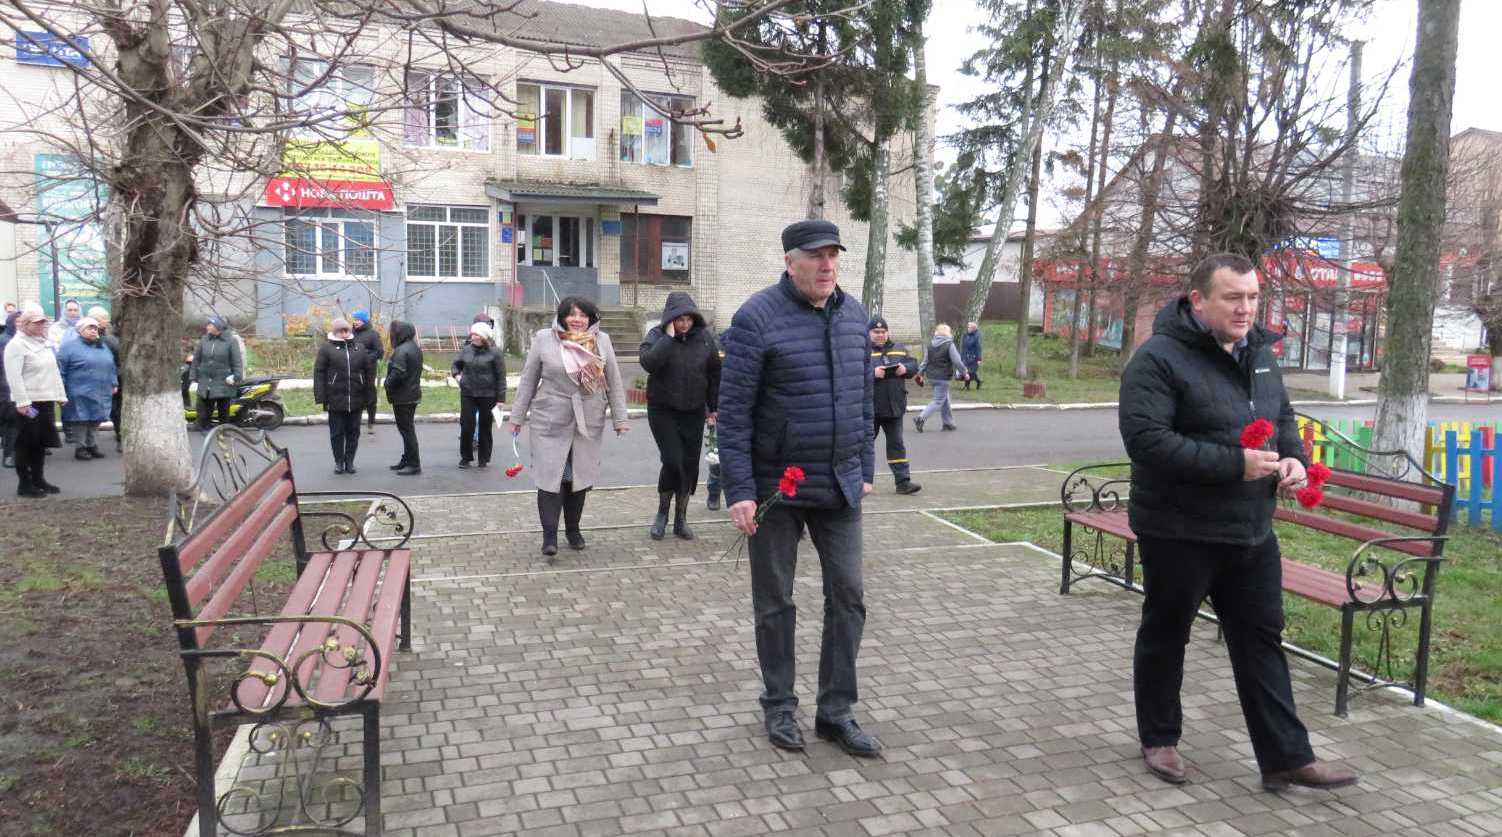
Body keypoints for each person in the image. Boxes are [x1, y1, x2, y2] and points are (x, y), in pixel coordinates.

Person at [1119, 252, 1358, 791]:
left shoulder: (1261, 354)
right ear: (1198, 300)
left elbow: (1282, 417)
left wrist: (1293, 459)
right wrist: (1235, 464)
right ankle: (1159, 738)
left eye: (1252, 297)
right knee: (1166, 635)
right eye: (1233, 297)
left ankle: (1286, 758)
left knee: (1262, 639)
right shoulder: (1157, 358)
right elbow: (1147, 442)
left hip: (1251, 529)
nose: (1246, 308)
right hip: (1179, 529)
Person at [719, 219, 881, 758]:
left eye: (833, 254)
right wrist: (740, 490)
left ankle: (836, 712)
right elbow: (734, 414)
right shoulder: (757, 318)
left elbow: (864, 400)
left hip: (839, 484)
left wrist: (865, 466)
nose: (827, 265)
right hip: (775, 488)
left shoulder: (854, 316)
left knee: (849, 598)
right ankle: (779, 706)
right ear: (791, 262)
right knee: (775, 602)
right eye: (816, 256)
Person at [510, 296, 629, 557]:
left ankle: (573, 530)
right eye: (572, 314)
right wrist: (516, 417)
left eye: (583, 315)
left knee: (578, 478)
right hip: (550, 418)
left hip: (588, 419)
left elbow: (614, 381)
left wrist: (620, 419)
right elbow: (528, 379)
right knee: (550, 477)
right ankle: (549, 536)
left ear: (591, 319)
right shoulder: (544, 338)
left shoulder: (602, 341)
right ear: (562, 316)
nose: (577, 319)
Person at [639, 291, 721, 540]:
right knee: (672, 460)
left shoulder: (704, 338)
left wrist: (713, 407)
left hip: (693, 410)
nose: (684, 324)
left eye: (688, 319)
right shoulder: (656, 336)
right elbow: (648, 362)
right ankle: (662, 514)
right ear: (670, 319)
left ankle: (680, 518)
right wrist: (668, 338)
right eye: (679, 320)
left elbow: (714, 373)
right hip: (663, 410)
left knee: (689, 465)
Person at [4, 306, 65, 497]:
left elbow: (53, 372)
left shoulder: (44, 343)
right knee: (25, 444)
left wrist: (60, 395)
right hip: (28, 404)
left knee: (40, 443)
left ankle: (39, 479)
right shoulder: (16, 345)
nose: (41, 325)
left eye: (43, 322)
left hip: (45, 401)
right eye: (36, 323)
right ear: (25, 324)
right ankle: (24, 484)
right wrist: (22, 402)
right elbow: (14, 376)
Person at [313, 318, 375, 475]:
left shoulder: (360, 348)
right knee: (337, 433)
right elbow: (319, 373)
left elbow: (368, 373)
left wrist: (369, 395)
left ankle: (350, 461)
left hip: (356, 398)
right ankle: (339, 462)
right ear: (335, 332)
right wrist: (321, 396)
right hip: (335, 399)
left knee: (354, 432)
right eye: (341, 331)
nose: (344, 333)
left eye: (346, 330)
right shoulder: (326, 349)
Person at [868, 316, 921, 495]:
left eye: (883, 332)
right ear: (869, 333)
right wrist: (872, 373)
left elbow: (913, 364)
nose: (880, 335)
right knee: (864, 447)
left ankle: (903, 482)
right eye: (876, 332)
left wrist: (906, 369)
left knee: (897, 445)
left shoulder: (898, 348)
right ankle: (858, 482)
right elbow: (851, 374)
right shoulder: (861, 350)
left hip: (894, 408)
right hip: (869, 409)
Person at [56, 317, 117, 460]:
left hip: (101, 389)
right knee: (81, 419)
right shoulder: (68, 347)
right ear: (80, 330)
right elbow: (60, 370)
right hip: (78, 390)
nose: (93, 331)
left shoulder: (102, 346)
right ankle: (81, 447)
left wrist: (114, 383)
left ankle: (92, 445)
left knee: (96, 418)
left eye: (95, 328)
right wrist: (60, 390)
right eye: (90, 328)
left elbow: (111, 365)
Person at [450, 321, 507, 469]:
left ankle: (483, 458)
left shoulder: (495, 353)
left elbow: (501, 377)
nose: (473, 337)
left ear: (484, 336)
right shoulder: (466, 350)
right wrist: (457, 376)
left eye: (476, 334)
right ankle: (466, 457)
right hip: (468, 393)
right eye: (472, 334)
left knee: (485, 426)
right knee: (467, 425)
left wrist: (501, 399)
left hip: (488, 394)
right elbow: (455, 365)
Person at [384, 320, 424, 475]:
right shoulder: (414, 347)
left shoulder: (402, 350)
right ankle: (407, 459)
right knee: (407, 430)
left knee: (407, 431)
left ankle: (414, 464)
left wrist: (387, 383)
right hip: (411, 394)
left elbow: (398, 372)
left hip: (403, 396)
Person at [190, 316, 242, 431]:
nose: (207, 327)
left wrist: (236, 376)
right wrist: (193, 376)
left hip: (224, 382)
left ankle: (223, 430)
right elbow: (196, 360)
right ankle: (202, 426)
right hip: (205, 381)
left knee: (223, 410)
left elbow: (237, 362)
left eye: (210, 324)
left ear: (217, 327)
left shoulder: (231, 341)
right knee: (203, 407)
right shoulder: (204, 340)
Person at [914, 323, 967, 433]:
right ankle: (920, 418)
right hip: (943, 377)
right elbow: (957, 361)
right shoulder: (949, 344)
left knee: (945, 399)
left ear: (937, 333)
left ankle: (948, 423)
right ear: (948, 333)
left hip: (931, 377)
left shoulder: (930, 345)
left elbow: (925, 361)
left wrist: (920, 373)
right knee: (938, 401)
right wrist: (964, 372)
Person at [90, 308, 123, 451]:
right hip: (109, 377)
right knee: (114, 408)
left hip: (112, 377)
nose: (107, 321)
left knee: (115, 409)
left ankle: (120, 436)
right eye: (104, 318)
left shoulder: (108, 338)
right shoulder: (107, 339)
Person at [351, 309, 383, 434]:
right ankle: (355, 422)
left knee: (369, 395)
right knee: (355, 395)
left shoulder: (373, 334)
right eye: (354, 320)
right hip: (354, 370)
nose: (355, 322)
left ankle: (371, 422)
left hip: (368, 370)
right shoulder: (350, 333)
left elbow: (379, 352)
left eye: (358, 320)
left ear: (364, 321)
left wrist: (365, 358)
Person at [0, 310, 19, 469]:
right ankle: (9, 454)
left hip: (26, 388)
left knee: (29, 417)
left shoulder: (26, 340)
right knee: (12, 422)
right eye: (17, 322)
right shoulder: (4, 341)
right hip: (7, 388)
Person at [960, 321, 983, 390]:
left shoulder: (977, 336)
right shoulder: (965, 335)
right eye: (968, 327)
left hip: (973, 357)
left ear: (973, 328)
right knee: (966, 370)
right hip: (965, 356)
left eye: (969, 327)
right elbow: (963, 346)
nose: (968, 328)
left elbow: (978, 348)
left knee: (971, 372)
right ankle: (975, 383)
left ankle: (971, 384)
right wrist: (962, 356)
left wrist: (979, 359)